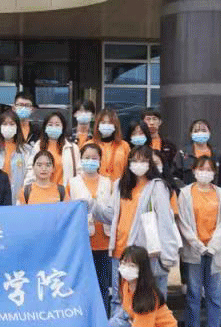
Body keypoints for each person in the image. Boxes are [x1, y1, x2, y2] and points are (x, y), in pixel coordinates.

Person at [94, 146, 181, 314]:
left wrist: (168, 255)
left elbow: (165, 222)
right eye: (134, 160)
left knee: (149, 299)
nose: (138, 164)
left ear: (150, 163)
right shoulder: (120, 185)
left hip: (145, 254)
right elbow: (111, 215)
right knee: (119, 299)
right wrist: (92, 206)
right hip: (120, 252)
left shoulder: (157, 187)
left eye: (143, 160)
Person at [177, 156, 221, 327]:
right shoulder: (185, 194)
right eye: (201, 169)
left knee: (214, 293)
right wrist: (198, 245)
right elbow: (183, 222)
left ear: (214, 173)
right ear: (193, 171)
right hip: (194, 250)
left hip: (215, 250)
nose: (205, 173)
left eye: (209, 169)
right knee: (193, 291)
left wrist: (213, 246)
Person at [67, 143, 112, 316]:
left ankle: (103, 318)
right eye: (87, 158)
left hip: (104, 242)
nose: (90, 161)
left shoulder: (108, 183)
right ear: (81, 159)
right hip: (83, 242)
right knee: (83, 285)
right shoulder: (73, 183)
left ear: (100, 160)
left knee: (103, 285)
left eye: (94, 158)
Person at [174, 119, 221, 192]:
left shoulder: (217, 154)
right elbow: (175, 177)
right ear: (191, 134)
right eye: (196, 131)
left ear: (209, 133)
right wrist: (184, 191)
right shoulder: (182, 154)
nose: (200, 133)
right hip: (189, 195)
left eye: (203, 130)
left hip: (213, 195)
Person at [26, 111, 78, 188]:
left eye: (57, 125)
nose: (54, 127)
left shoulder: (72, 148)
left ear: (63, 127)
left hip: (65, 193)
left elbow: (79, 173)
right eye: (50, 125)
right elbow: (31, 170)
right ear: (45, 128)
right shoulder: (38, 146)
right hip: (42, 191)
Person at [0, 110, 32, 200]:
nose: (8, 127)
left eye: (11, 124)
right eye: (5, 124)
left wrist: (24, 193)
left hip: (19, 196)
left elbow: (30, 174)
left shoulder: (26, 150)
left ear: (17, 127)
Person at [93, 109, 130, 181]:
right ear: (98, 125)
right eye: (103, 122)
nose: (106, 125)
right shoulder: (90, 144)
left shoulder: (124, 145)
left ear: (115, 125)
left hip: (119, 186)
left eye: (110, 123)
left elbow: (128, 171)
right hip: (96, 186)